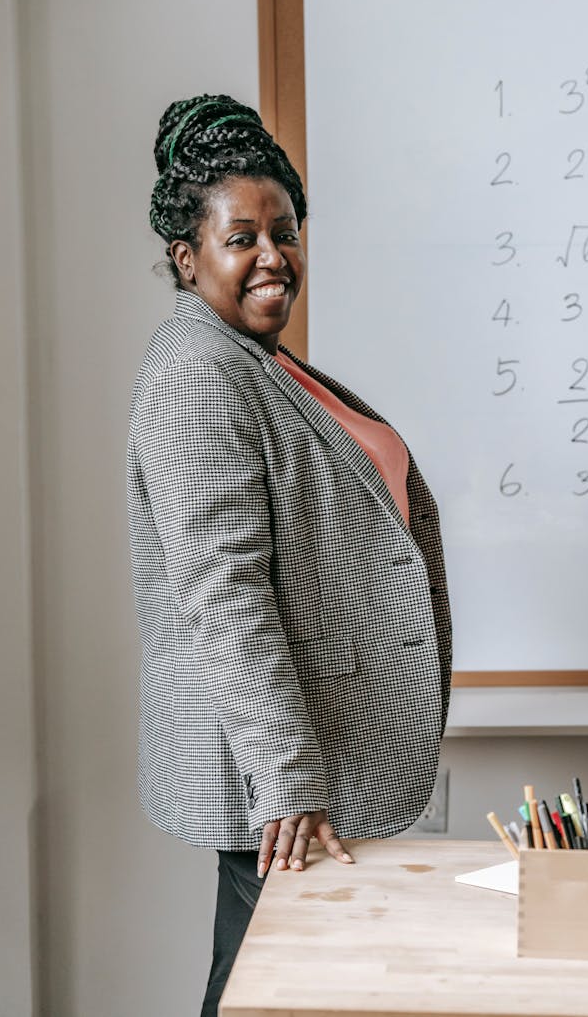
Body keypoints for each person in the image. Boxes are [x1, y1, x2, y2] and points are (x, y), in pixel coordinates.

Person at [127, 93, 452, 1015]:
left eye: (287, 229)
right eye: (243, 236)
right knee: (271, 992)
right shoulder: (199, 374)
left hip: (317, 761)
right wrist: (290, 782)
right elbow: (222, 593)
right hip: (286, 778)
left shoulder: (254, 359)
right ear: (187, 259)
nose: (274, 255)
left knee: (283, 989)